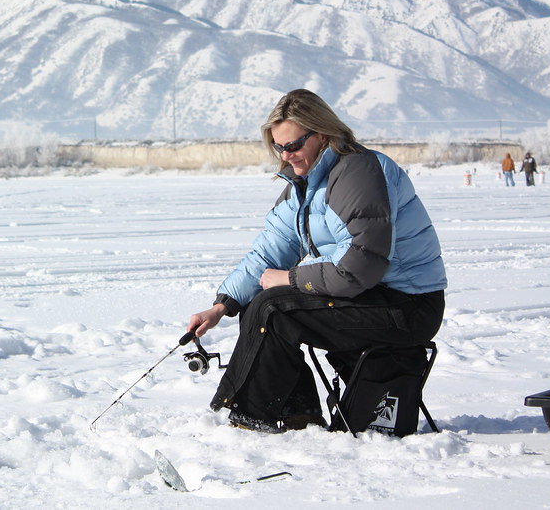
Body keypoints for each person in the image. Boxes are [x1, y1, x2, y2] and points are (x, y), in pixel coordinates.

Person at [186, 89, 448, 433]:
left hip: (407, 306)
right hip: (369, 297)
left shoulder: (359, 171)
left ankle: (249, 420)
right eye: (279, 147)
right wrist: (222, 305)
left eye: (293, 145)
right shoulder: (307, 183)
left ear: (321, 133)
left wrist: (291, 279)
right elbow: (269, 252)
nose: (286, 155)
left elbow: (361, 265)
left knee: (275, 309)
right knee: (258, 304)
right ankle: (298, 412)